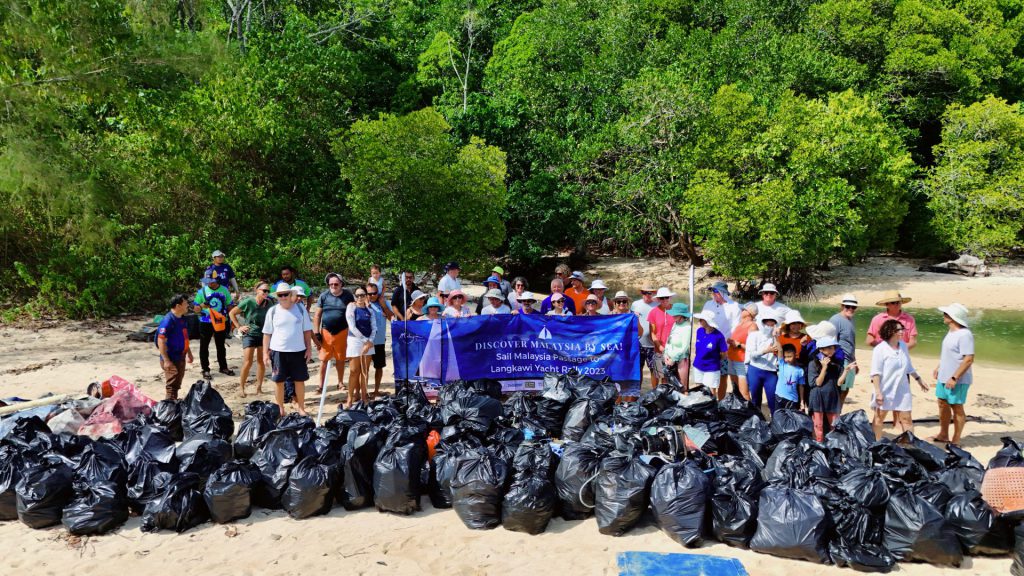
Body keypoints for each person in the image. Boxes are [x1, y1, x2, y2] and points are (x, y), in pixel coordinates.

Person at [870, 319, 926, 440]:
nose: (902, 331)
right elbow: (875, 373)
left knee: (906, 419)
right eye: (899, 329)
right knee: (879, 418)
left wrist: (919, 379)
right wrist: (878, 392)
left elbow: (908, 366)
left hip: (902, 389)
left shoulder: (903, 347)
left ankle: (909, 447)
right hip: (885, 388)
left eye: (902, 329)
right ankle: (876, 444)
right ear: (890, 331)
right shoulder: (880, 349)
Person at [262, 284, 313, 416]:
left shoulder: (301, 309)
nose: (283, 297)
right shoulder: (272, 311)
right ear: (277, 297)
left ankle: (301, 407)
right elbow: (267, 334)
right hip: (278, 351)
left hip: (298, 350)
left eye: (286, 294)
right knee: (279, 381)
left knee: (299, 380)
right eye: (280, 295)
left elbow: (307, 331)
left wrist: (309, 349)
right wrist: (265, 353)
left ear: (291, 295)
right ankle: (280, 409)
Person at [932, 303, 975, 446]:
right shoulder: (951, 332)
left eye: (946, 314)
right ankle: (943, 434)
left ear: (953, 317)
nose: (944, 316)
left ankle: (956, 439)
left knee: (956, 406)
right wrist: (939, 366)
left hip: (958, 378)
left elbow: (968, 359)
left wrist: (954, 377)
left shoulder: (965, 334)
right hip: (944, 375)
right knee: (942, 403)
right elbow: (949, 353)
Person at [807, 335, 855, 441]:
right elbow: (817, 383)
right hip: (817, 398)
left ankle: (835, 447)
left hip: (832, 398)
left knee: (835, 425)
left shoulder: (836, 364)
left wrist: (846, 371)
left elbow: (839, 383)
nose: (831, 350)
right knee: (818, 426)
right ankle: (818, 447)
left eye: (832, 348)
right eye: (828, 348)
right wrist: (824, 368)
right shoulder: (813, 364)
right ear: (820, 350)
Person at [312, 273, 353, 394]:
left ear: (341, 284)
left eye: (336, 284)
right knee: (323, 359)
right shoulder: (324, 296)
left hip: (343, 331)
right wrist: (316, 333)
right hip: (326, 332)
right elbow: (317, 315)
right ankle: (320, 385)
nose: (333, 286)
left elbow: (353, 312)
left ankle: (340, 383)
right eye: (331, 284)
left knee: (340, 359)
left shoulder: (348, 295)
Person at [229, 281, 272, 397]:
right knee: (247, 362)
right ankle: (241, 388)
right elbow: (232, 313)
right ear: (257, 290)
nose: (266, 293)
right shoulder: (249, 301)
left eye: (268, 291)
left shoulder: (270, 303)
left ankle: (259, 388)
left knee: (261, 362)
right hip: (250, 334)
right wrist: (239, 327)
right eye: (264, 290)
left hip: (263, 335)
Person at [193, 270, 234, 380]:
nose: (209, 283)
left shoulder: (224, 290)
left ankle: (223, 367)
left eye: (211, 280)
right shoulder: (202, 291)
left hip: (221, 321)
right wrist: (202, 305)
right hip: (205, 322)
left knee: (220, 345)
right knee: (204, 346)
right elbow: (195, 309)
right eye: (207, 281)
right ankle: (205, 369)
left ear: (216, 279)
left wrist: (233, 319)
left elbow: (229, 305)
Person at [704, 281, 742, 392]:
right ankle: (710, 401)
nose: (714, 293)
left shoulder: (734, 307)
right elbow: (703, 322)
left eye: (716, 291)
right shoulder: (708, 304)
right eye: (712, 291)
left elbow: (734, 328)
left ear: (723, 292)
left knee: (722, 376)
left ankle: (720, 402)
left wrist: (722, 344)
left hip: (724, 347)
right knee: (709, 375)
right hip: (708, 345)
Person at [156, 294, 193, 400]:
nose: (188, 306)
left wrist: (188, 353)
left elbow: (184, 337)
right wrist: (166, 360)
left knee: (176, 385)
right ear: (178, 306)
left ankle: (173, 406)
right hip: (171, 358)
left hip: (181, 356)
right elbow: (161, 340)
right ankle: (169, 410)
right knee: (171, 387)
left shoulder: (182, 319)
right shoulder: (168, 320)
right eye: (185, 304)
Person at [345, 287, 377, 407]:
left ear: (366, 296)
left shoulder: (370, 310)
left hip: (368, 341)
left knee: (365, 371)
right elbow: (352, 326)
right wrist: (365, 341)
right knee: (354, 371)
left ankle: (364, 396)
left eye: (362, 295)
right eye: (357, 295)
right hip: (355, 340)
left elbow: (374, 327)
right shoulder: (351, 307)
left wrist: (370, 341)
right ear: (354, 296)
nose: (360, 297)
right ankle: (350, 398)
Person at [745, 309, 780, 413]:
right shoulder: (754, 335)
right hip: (755, 369)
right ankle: (757, 422)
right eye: (766, 322)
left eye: (772, 322)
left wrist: (776, 338)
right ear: (762, 322)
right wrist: (765, 351)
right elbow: (752, 355)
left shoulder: (777, 337)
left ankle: (775, 421)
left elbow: (781, 355)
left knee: (772, 399)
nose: (769, 324)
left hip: (771, 371)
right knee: (755, 399)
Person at [830, 294, 860, 404]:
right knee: (839, 388)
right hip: (840, 360)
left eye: (853, 307)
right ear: (842, 306)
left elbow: (851, 342)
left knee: (846, 389)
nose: (850, 309)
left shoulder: (851, 320)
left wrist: (855, 361)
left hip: (850, 360)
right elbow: (831, 341)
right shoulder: (835, 320)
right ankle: (835, 414)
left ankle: (838, 412)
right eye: (848, 306)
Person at [692, 311, 728, 398]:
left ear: (708, 321)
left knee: (711, 393)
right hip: (698, 365)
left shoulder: (719, 336)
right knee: (699, 390)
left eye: (701, 319)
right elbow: (697, 349)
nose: (699, 320)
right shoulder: (699, 331)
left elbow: (724, 354)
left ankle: (712, 410)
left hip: (712, 368)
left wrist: (714, 360)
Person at [727, 303, 758, 400]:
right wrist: (731, 342)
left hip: (742, 362)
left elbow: (753, 348)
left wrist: (739, 345)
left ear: (750, 313)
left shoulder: (753, 326)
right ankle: (739, 410)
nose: (741, 311)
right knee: (735, 389)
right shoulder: (740, 324)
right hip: (732, 359)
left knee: (744, 392)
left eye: (743, 309)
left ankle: (748, 412)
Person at [367, 282, 392, 397]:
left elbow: (391, 318)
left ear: (378, 293)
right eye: (369, 293)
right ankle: (363, 391)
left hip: (380, 340)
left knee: (379, 367)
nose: (372, 296)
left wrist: (384, 306)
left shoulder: (384, 303)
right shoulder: (362, 303)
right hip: (366, 342)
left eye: (374, 293)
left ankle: (376, 390)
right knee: (364, 368)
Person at [647, 287, 676, 387]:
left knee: (667, 375)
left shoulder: (676, 309)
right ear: (658, 299)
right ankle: (655, 393)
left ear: (670, 298)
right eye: (662, 298)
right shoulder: (653, 312)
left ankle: (665, 395)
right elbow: (652, 333)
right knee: (657, 374)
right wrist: (659, 345)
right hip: (659, 348)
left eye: (666, 297)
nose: (664, 300)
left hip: (673, 349)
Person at [631, 283, 658, 387]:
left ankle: (655, 392)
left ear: (653, 293)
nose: (647, 294)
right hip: (638, 343)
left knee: (654, 369)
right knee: (638, 368)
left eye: (649, 292)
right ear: (641, 293)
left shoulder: (658, 304)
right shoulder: (635, 304)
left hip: (653, 343)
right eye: (644, 292)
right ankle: (638, 393)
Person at [662, 303, 692, 393]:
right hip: (669, 358)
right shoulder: (675, 324)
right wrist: (666, 353)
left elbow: (685, 346)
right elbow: (669, 339)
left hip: (681, 360)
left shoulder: (687, 326)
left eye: (675, 314)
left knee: (682, 387)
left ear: (681, 315)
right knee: (670, 386)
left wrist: (674, 359)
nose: (673, 315)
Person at [776, 344, 806, 412]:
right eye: (785, 357)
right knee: (779, 419)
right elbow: (780, 350)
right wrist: (775, 337)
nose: (787, 359)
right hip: (779, 397)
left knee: (791, 420)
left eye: (789, 356)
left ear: (795, 355)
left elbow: (801, 386)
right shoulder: (782, 364)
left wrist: (802, 401)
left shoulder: (800, 370)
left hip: (792, 400)